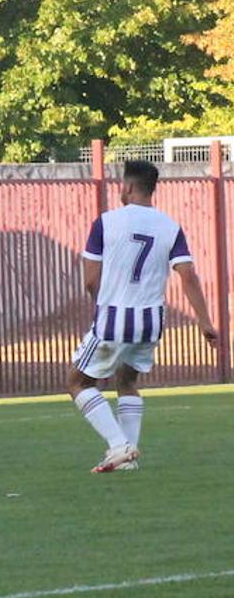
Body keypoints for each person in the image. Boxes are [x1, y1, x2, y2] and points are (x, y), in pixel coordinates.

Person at [68, 160, 219, 473]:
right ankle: (127, 460)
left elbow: (90, 279)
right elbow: (188, 275)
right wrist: (204, 321)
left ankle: (119, 446)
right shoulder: (170, 226)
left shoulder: (106, 222)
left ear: (128, 186)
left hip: (114, 318)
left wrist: (102, 302)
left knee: (78, 382)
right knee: (127, 380)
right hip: (150, 321)